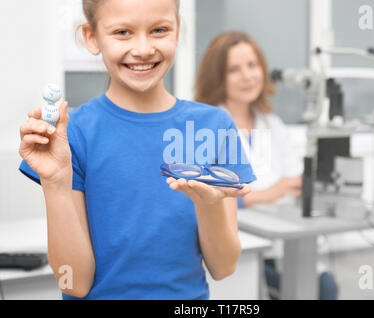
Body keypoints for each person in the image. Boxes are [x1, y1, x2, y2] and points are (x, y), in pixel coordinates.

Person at [18, 0, 256, 300]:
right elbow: (72, 283)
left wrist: (207, 204)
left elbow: (224, 267)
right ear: (91, 38)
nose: (143, 48)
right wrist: (56, 184)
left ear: (178, 30)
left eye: (159, 30)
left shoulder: (214, 126)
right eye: (122, 32)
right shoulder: (72, 135)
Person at [195, 31, 339, 300]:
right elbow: (204, 198)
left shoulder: (273, 125)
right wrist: (267, 194)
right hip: (239, 247)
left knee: (325, 286)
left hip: (280, 241)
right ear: (218, 78)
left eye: (252, 65)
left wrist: (271, 192)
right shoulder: (205, 128)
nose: (248, 76)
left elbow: (293, 184)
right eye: (234, 70)